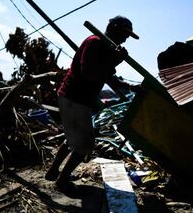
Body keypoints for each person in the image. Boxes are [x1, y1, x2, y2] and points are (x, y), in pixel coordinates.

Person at [45, 15, 140, 195]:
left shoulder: (107, 47)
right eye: (124, 33)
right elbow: (89, 74)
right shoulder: (95, 42)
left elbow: (106, 75)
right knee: (86, 145)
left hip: (78, 99)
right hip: (74, 99)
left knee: (72, 138)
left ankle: (53, 172)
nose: (126, 38)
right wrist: (115, 61)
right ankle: (61, 181)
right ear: (113, 27)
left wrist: (130, 85)